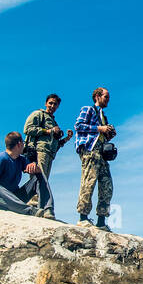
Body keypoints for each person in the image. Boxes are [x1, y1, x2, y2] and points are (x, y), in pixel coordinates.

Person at [22, 93, 73, 220]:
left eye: (55, 104)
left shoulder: (53, 121)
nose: (52, 106)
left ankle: (36, 206)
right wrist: (49, 131)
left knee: (42, 180)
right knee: (40, 179)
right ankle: (38, 207)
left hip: (49, 154)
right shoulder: (38, 114)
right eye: (50, 103)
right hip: (38, 151)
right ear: (46, 103)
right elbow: (27, 129)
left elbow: (55, 144)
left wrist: (66, 139)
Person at [74, 86, 116, 230]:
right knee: (89, 182)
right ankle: (83, 217)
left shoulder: (103, 116)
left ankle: (101, 221)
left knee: (106, 185)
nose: (108, 100)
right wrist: (99, 129)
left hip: (102, 153)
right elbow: (78, 126)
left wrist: (108, 133)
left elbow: (102, 133)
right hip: (90, 150)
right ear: (97, 96)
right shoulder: (88, 109)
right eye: (106, 97)